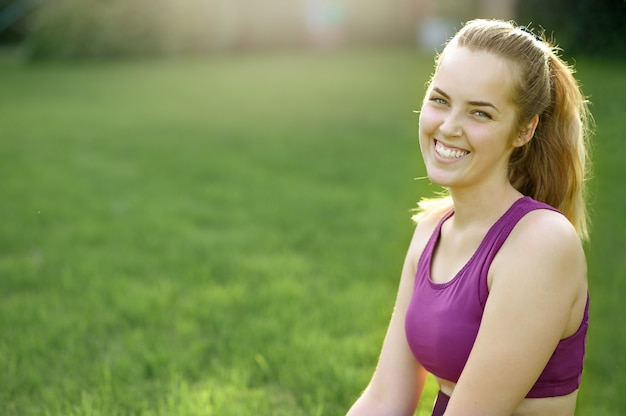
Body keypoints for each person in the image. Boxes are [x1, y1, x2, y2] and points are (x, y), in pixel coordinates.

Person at [346, 19, 592, 416]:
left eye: (480, 113)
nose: (449, 127)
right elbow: (385, 399)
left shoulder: (541, 244)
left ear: (524, 130)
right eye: (440, 100)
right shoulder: (431, 230)